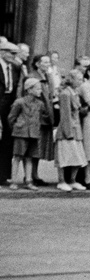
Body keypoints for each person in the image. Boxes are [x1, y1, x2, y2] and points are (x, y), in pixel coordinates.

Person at [7, 77, 44, 190]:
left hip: (33, 133)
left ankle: (28, 180)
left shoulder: (40, 104)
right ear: (29, 89)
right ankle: (13, 181)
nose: (40, 91)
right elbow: (11, 118)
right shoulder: (19, 102)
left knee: (29, 157)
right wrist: (18, 128)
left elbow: (40, 117)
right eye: (37, 88)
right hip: (21, 134)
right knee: (17, 157)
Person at [55, 70, 87, 192]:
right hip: (67, 131)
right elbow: (65, 115)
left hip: (77, 129)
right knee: (64, 157)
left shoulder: (75, 93)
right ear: (71, 80)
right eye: (79, 79)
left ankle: (72, 180)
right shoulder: (65, 94)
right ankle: (61, 181)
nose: (81, 81)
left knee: (77, 157)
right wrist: (68, 133)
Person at [26, 55, 55, 186]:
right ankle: (30, 175)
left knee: (40, 147)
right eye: (45, 62)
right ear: (37, 64)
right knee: (34, 146)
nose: (48, 64)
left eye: (49, 62)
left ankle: (35, 174)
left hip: (47, 114)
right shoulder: (32, 77)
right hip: (37, 115)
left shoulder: (48, 77)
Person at [0, 39, 24, 186]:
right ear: (2, 52)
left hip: (10, 106)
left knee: (8, 141)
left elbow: (17, 87)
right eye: (11, 53)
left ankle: (3, 175)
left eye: (16, 53)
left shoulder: (15, 67)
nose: (14, 56)